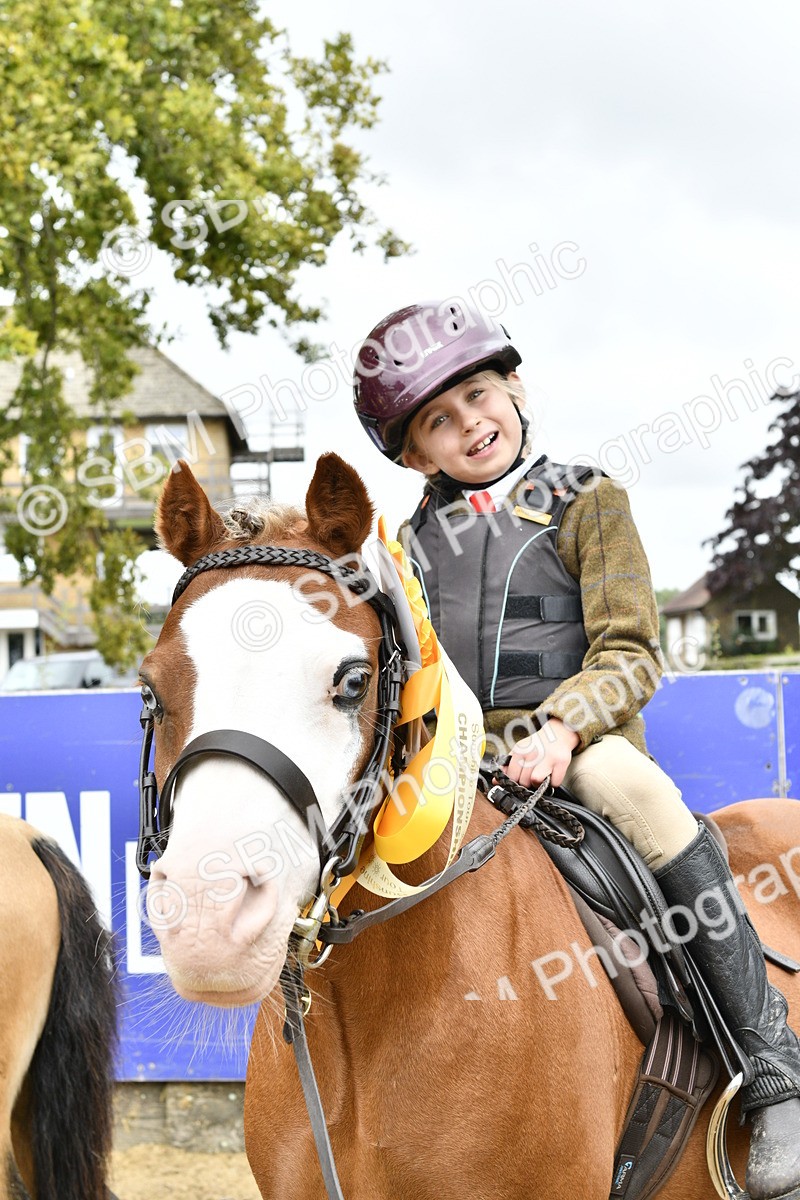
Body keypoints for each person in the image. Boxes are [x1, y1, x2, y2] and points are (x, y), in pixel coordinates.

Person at [352, 298, 800, 1200]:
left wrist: (562, 729)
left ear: (514, 388)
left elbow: (632, 648)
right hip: (460, 758)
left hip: (579, 744)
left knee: (645, 800)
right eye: (439, 420)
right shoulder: (405, 545)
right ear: (414, 454)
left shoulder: (588, 497)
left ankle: (773, 1070)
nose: (469, 423)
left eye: (478, 396)